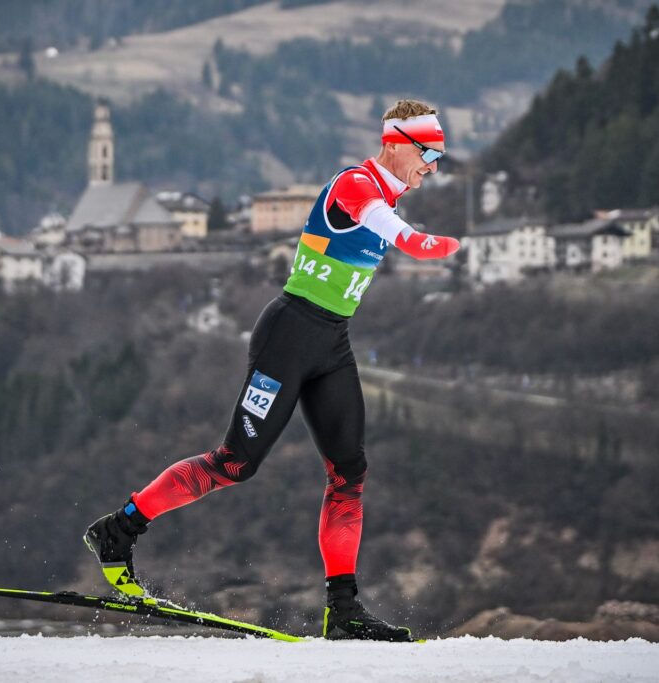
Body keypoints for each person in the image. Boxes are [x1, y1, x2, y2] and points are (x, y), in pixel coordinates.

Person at [85, 99, 459, 641]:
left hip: (331, 343)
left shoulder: (391, 191)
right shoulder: (355, 185)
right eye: (430, 153)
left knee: (349, 473)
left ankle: (344, 610)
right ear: (399, 143)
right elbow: (400, 236)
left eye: (441, 156)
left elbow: (392, 221)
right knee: (235, 463)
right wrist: (435, 244)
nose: (434, 166)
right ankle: (119, 529)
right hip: (288, 337)